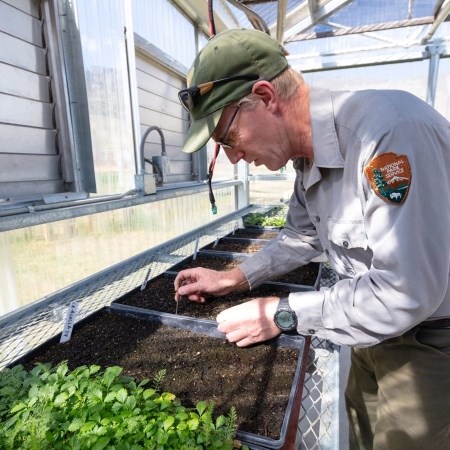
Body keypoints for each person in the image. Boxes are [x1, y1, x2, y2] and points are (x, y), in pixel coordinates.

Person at [174, 28, 450, 449]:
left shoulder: (385, 137)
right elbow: (301, 238)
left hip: (431, 341)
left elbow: (407, 290)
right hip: (369, 330)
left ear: (266, 97)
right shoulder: (309, 158)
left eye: (228, 138)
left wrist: (282, 314)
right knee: (360, 433)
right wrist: (233, 279)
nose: (232, 157)